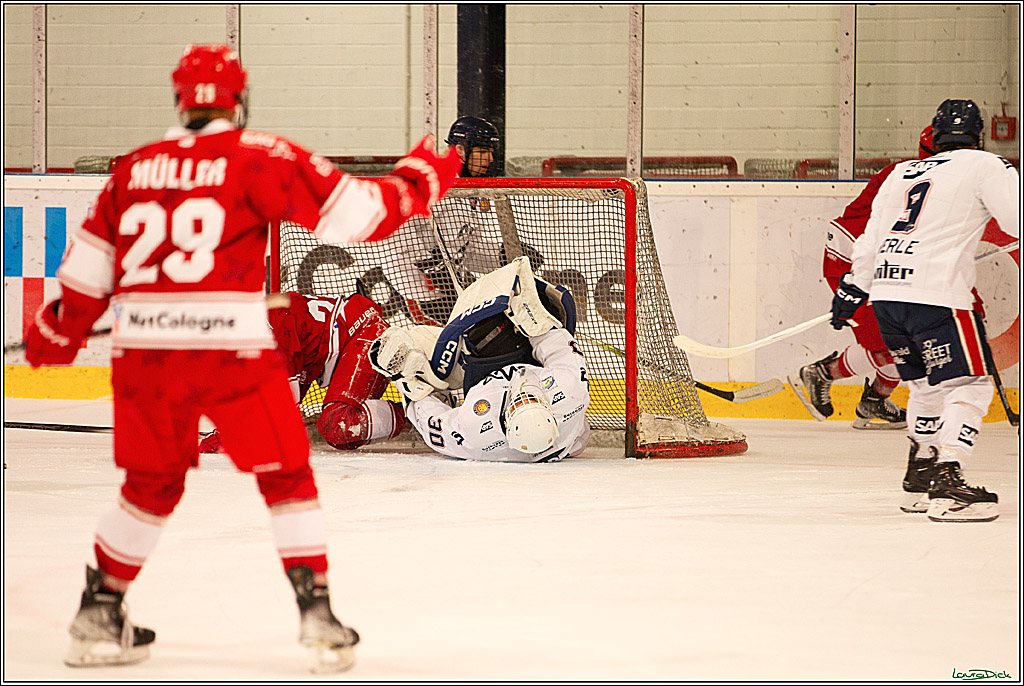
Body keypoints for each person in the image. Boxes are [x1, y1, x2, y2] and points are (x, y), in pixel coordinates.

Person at [24, 44, 460, 671]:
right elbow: (361, 215)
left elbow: (84, 282)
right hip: (230, 350)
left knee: (149, 487)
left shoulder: (133, 170)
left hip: (147, 357)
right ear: (239, 99)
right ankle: (318, 620)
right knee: (284, 475)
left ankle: (98, 614)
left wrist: (55, 334)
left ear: (179, 100)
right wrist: (421, 178)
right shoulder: (260, 157)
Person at [832, 98, 1019, 522]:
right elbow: (1014, 219)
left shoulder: (901, 172)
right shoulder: (987, 166)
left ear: (933, 134)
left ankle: (919, 478)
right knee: (970, 386)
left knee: (925, 389)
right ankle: (950, 480)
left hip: (887, 295)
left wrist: (852, 289)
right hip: (938, 296)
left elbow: (872, 237)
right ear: (979, 135)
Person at [369, 257, 590, 463]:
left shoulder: (477, 434)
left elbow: (432, 425)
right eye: (531, 399)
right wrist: (530, 316)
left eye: (518, 403)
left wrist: (411, 388)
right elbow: (557, 341)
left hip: (477, 370)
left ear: (504, 420)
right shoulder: (569, 393)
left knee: (404, 352)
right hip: (523, 356)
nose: (523, 394)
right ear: (550, 411)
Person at [791, 127, 938, 430]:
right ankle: (823, 373)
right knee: (892, 345)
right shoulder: (911, 178)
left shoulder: (930, 177)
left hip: (880, 262)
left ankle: (875, 400)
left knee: (907, 339)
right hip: (853, 261)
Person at [375, 116, 544, 327]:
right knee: (480, 335)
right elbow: (396, 234)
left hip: (453, 282)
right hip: (419, 291)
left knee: (503, 321)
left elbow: (468, 249)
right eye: (482, 152)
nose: (489, 160)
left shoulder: (473, 192)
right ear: (461, 150)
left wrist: (501, 257)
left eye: (491, 153)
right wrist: (430, 267)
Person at [198, 291, 405, 454]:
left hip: (365, 333)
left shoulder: (268, 334)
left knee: (338, 424)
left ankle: (414, 412)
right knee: (344, 438)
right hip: (354, 341)